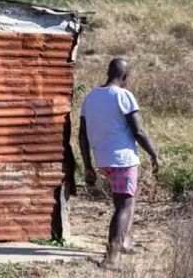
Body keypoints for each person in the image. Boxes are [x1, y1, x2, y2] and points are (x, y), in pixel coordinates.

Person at [78, 57, 162, 271]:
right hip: (122, 160)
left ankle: (124, 241)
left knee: (127, 199)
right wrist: (154, 155)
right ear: (125, 76)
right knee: (123, 207)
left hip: (103, 160)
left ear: (108, 72)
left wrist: (88, 166)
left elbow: (82, 135)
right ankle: (110, 259)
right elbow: (138, 131)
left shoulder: (90, 97)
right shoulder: (123, 95)